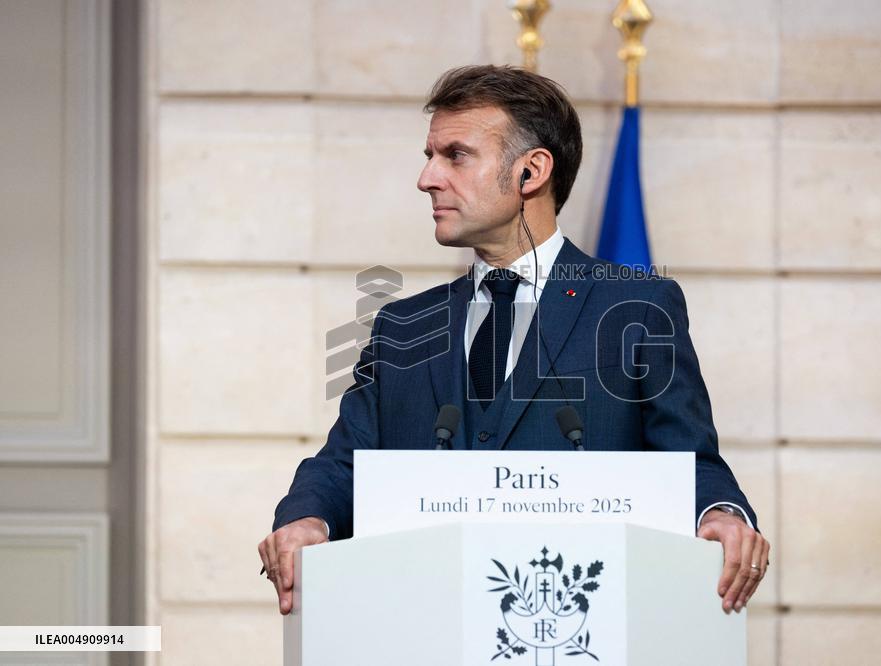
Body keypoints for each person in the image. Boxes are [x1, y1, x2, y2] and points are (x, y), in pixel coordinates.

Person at [258, 65, 769, 617]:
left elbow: (690, 462)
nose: (427, 178)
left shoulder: (637, 308)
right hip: (426, 627)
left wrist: (720, 513)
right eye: (430, 156)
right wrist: (307, 516)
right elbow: (344, 465)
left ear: (531, 171)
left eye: (455, 155)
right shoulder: (401, 326)